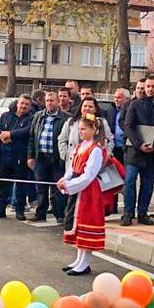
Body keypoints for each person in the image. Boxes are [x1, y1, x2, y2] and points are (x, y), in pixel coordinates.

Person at [58, 114, 109, 276]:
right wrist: (64, 180)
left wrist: (70, 185)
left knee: (86, 225)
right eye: (79, 129)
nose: (80, 132)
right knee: (77, 225)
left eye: (84, 129)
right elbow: (72, 169)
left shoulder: (96, 150)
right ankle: (79, 260)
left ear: (93, 130)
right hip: (78, 189)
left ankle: (85, 263)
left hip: (88, 192)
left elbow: (89, 175)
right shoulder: (79, 147)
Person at [122, 74, 154, 226]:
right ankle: (128, 213)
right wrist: (139, 144)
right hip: (134, 150)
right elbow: (128, 126)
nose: (150, 89)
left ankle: (142, 213)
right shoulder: (135, 104)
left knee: (148, 184)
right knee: (130, 181)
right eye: (148, 86)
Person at [27, 91, 70, 223]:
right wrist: (30, 155)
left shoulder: (65, 118)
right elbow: (32, 137)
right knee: (41, 187)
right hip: (41, 157)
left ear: (57, 102)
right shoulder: (38, 116)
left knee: (57, 188)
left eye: (52, 100)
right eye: (47, 101)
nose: (49, 103)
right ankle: (40, 213)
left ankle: (60, 214)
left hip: (56, 158)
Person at [0, 95, 34, 221]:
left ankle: (19, 211)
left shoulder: (30, 119)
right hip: (4, 156)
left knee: (20, 185)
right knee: (3, 184)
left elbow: (27, 131)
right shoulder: (6, 116)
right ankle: (0, 210)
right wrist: (1, 135)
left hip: (20, 157)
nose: (23, 106)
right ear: (17, 103)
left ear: (30, 106)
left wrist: (11, 134)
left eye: (26, 104)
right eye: (22, 103)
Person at [59, 97, 113, 161]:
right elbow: (62, 139)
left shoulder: (102, 122)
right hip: (73, 161)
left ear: (95, 109)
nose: (87, 108)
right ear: (81, 108)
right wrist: (65, 155)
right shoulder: (71, 122)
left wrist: (106, 156)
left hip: (95, 161)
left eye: (90, 106)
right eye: (85, 106)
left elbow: (110, 141)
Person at [109, 87, 130, 213]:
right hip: (114, 149)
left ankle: (129, 209)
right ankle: (112, 207)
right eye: (115, 97)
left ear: (127, 99)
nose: (116, 100)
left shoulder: (130, 110)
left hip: (127, 149)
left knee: (128, 179)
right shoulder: (110, 111)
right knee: (112, 179)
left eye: (119, 97)